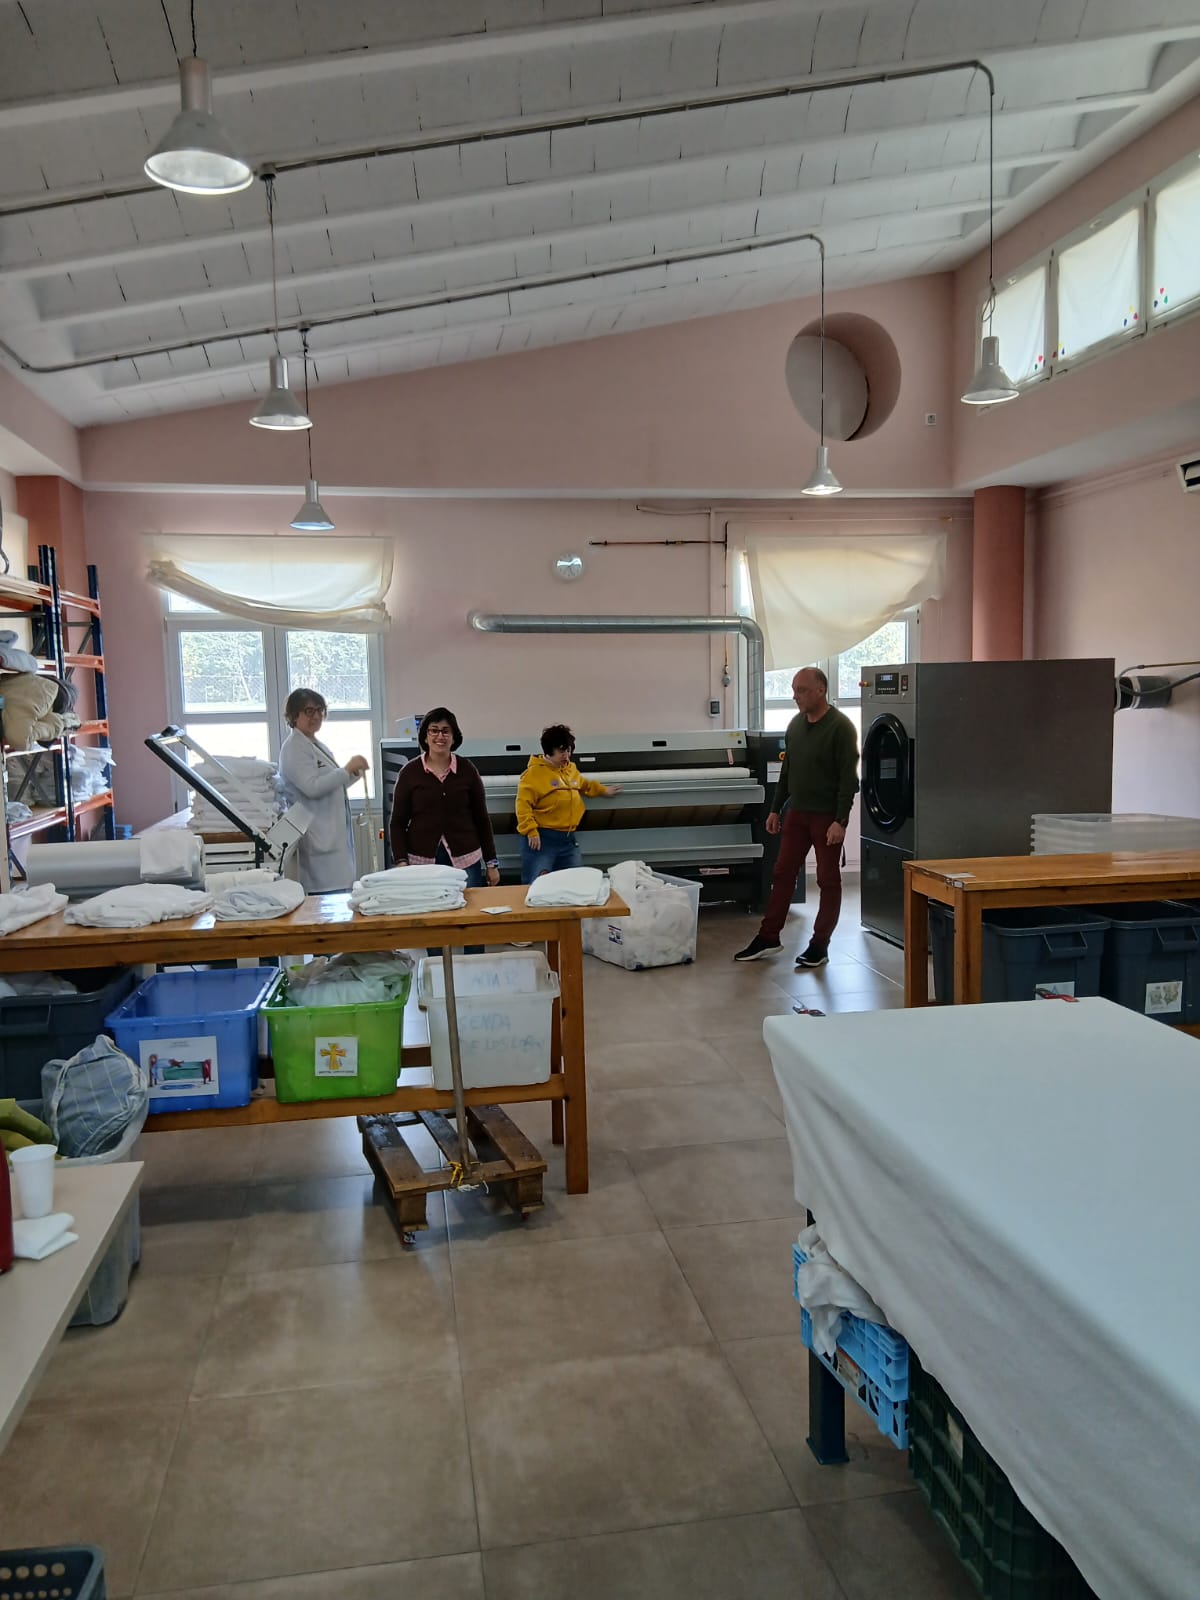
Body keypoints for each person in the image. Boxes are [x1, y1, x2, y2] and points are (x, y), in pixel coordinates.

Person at [734, 666, 859, 968]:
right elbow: (787, 772)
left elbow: (848, 778)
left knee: (828, 880)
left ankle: (819, 945)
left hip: (826, 817)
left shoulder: (840, 727)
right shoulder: (795, 725)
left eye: (801, 690)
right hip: (797, 813)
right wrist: (775, 809)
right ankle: (768, 937)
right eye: (793, 690)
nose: (795, 696)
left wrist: (841, 820)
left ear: (821, 690)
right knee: (782, 873)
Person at [389, 707, 500, 888]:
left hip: (465, 861)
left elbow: (481, 819)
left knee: (468, 905)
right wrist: (401, 861)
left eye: (446, 731)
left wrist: (491, 863)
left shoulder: (467, 770)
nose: (440, 736)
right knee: (427, 905)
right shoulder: (409, 772)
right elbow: (397, 822)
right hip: (421, 862)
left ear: (454, 737)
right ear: (425, 737)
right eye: (434, 730)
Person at [278, 687, 370, 893]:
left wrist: (353, 773)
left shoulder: (315, 744)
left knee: (342, 894)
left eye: (320, 710)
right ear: (294, 715)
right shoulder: (294, 747)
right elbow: (312, 787)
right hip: (318, 840)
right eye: (309, 711)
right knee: (325, 901)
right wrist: (346, 769)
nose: (317, 716)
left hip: (333, 837)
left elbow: (332, 785)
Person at [516, 723, 621, 883]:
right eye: (561, 751)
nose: (566, 755)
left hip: (568, 840)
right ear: (549, 751)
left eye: (569, 750)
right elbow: (523, 805)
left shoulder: (570, 769)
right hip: (542, 840)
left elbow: (584, 784)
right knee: (538, 885)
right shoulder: (533, 774)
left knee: (574, 883)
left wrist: (603, 790)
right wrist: (531, 831)